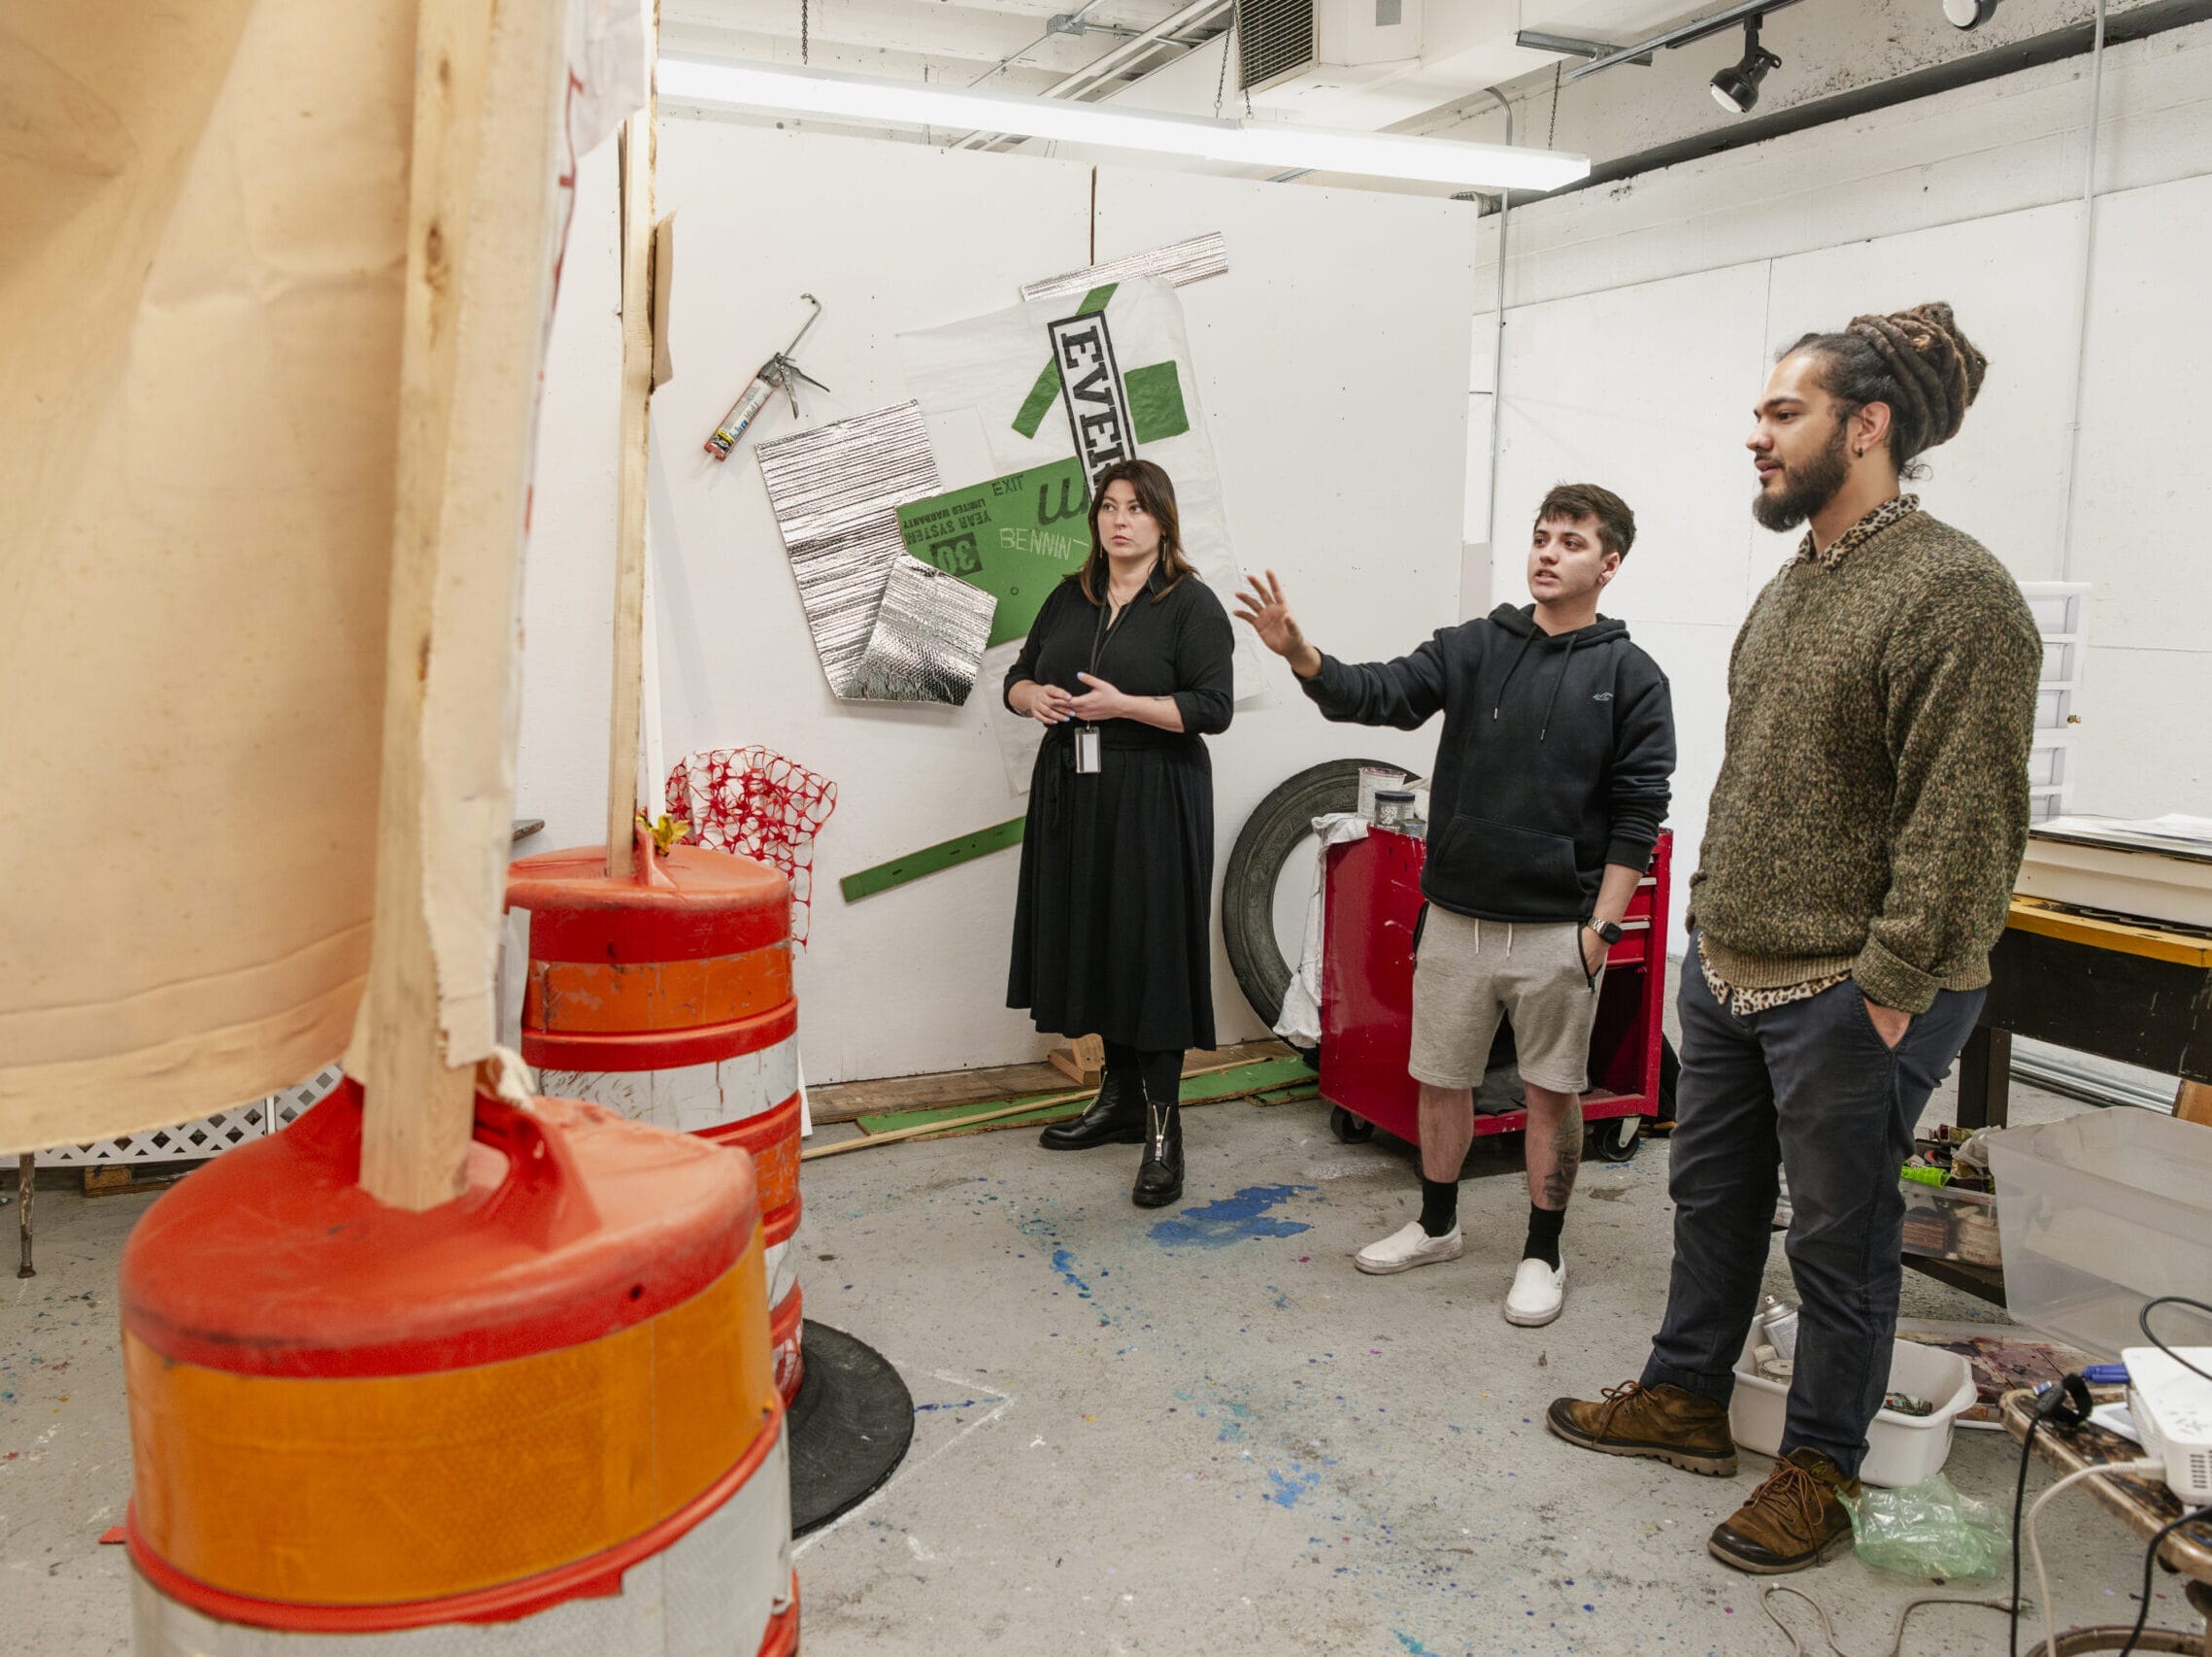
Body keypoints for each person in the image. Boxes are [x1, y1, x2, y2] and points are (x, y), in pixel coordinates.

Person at [1548, 303, 2042, 1575]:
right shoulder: (1796, 583)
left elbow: (1967, 817)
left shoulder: (1954, 590)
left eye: (1782, 413)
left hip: (1851, 986)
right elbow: (1758, 780)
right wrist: (1707, 932)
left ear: (1864, 426)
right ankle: (1682, 1396)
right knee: (1708, 1200)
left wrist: (1885, 987)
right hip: (1735, 969)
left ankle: (1816, 1466)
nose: (1752, 436)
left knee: (1836, 1237)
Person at [1235, 484, 1674, 1327]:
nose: (1548, 552)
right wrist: (1303, 656)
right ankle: (1437, 1224)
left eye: (1572, 542)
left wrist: (1600, 930)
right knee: (1441, 1082)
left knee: (1550, 1093)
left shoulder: (1630, 677)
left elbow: (1638, 812)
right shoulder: (1475, 647)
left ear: (1609, 564)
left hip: (1556, 930)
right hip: (1458, 920)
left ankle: (1543, 1252)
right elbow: (1381, 693)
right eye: (1542, 536)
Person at [1006, 458, 1236, 1209]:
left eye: (1136, 508)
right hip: (1072, 788)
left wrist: (1127, 706)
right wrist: (1030, 695)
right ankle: (1118, 1099)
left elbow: (1211, 709)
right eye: (1108, 507)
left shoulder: (1190, 605)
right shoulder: (1069, 597)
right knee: (1097, 940)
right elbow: (1017, 674)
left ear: (1163, 521)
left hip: (1153, 790)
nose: (1119, 520)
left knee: (1152, 950)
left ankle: (1165, 1131)